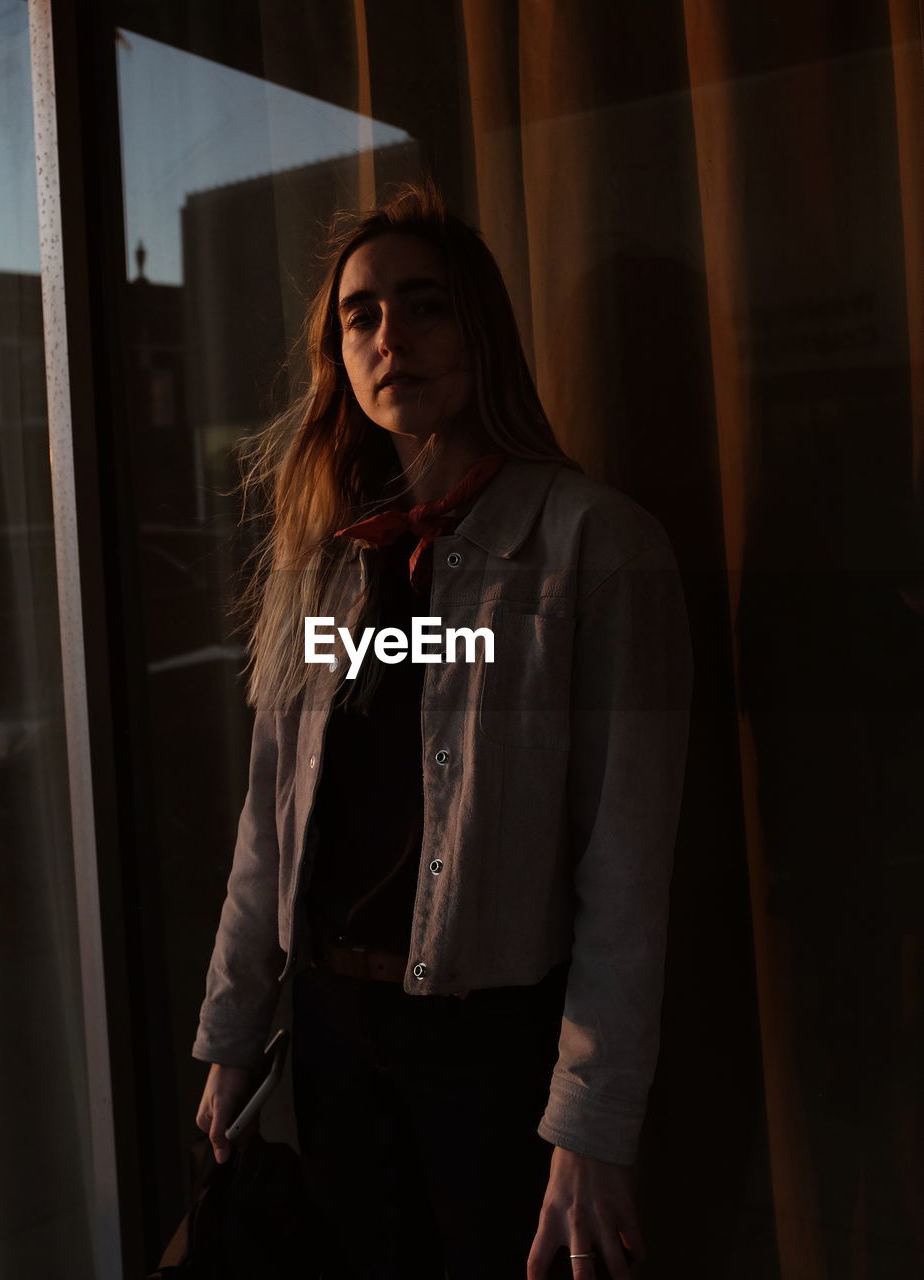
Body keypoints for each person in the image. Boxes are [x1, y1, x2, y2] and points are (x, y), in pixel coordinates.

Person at [193, 181, 692, 1280]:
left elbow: (626, 857)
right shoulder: (326, 556)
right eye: (359, 315)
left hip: (492, 1048)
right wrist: (233, 1032)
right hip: (329, 1027)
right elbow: (268, 821)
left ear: (480, 331)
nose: (387, 337)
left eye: (422, 306)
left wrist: (589, 1121)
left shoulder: (594, 546)